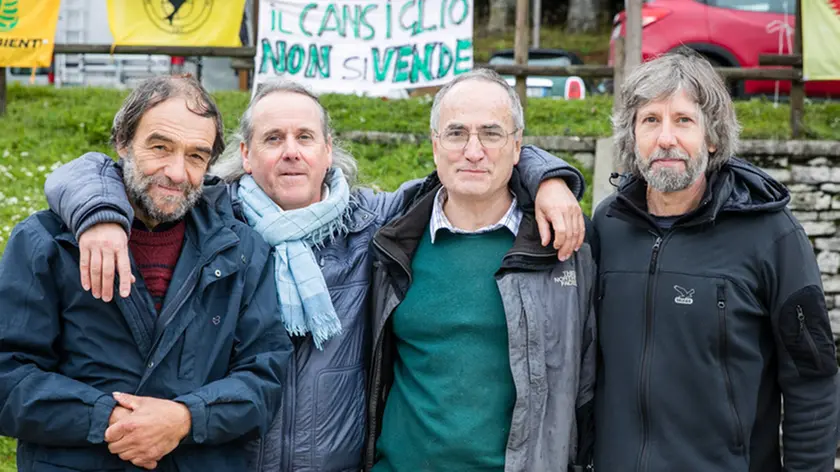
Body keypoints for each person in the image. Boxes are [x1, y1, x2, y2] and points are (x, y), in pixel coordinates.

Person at [43, 79, 588, 471]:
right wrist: (99, 216)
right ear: (244, 155)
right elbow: (98, 169)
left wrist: (547, 177)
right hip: (222, 455)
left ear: (329, 151)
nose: (291, 154)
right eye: (273, 139)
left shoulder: (374, 222)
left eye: (305, 137)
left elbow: (473, 164)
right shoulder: (210, 217)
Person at [0, 75, 292, 471]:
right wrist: (111, 418)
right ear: (123, 142)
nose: (176, 172)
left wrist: (186, 419)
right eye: (160, 147)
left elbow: (265, 379)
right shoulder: (46, 243)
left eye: (195, 156)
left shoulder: (244, 251)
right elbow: (8, 376)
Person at [593, 51, 839, 471]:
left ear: (711, 136)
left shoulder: (772, 235)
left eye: (683, 120)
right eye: (650, 120)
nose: (665, 137)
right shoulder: (608, 226)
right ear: (632, 135)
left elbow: (812, 378)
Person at [364, 68, 597, 472]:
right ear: (435, 145)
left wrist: (550, 179)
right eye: (456, 134)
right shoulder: (392, 233)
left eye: (491, 134)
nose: (473, 151)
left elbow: (590, 384)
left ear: (518, 146)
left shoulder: (564, 243)